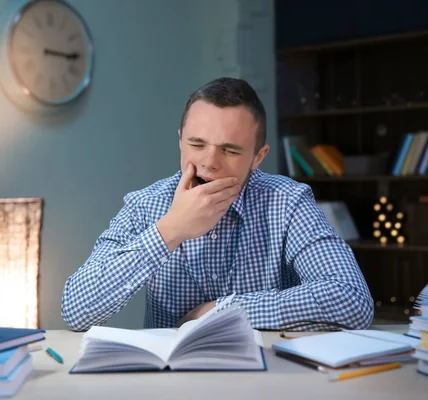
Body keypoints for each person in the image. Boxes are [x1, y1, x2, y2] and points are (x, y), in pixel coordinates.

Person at [61, 77, 374, 332]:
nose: (208, 164)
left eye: (231, 151)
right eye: (197, 144)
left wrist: (222, 311)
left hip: (266, 382)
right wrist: (169, 230)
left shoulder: (287, 202)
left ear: (258, 157)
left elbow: (351, 299)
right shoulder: (145, 206)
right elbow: (76, 310)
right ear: (180, 140)